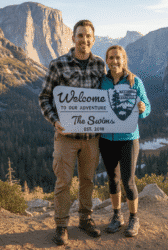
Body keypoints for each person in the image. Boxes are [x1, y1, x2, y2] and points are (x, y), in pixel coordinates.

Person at [39, 20, 106, 246]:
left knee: (87, 179)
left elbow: (107, 96)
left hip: (91, 138)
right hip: (66, 137)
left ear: (93, 39)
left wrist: (129, 79)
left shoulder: (100, 65)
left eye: (88, 36)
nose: (84, 40)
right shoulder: (58, 65)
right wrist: (55, 121)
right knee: (63, 182)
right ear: (73, 38)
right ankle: (61, 225)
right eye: (80, 36)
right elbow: (45, 98)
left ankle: (85, 220)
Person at [99, 45, 151, 237]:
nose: (114, 61)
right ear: (107, 60)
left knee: (128, 181)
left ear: (124, 60)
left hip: (128, 138)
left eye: (118, 58)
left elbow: (147, 109)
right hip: (106, 138)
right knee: (112, 179)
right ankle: (116, 216)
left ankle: (134, 218)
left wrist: (143, 108)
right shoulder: (102, 82)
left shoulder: (135, 81)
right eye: (111, 58)